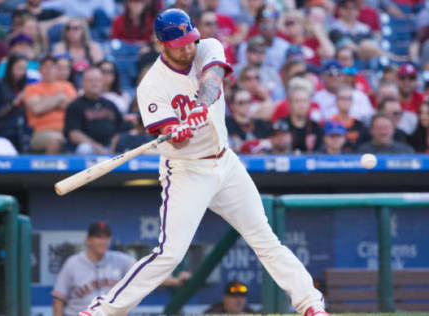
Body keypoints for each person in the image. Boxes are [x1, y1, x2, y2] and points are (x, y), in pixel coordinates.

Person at [79, 9, 328, 316]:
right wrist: (176, 131)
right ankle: (100, 311)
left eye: (189, 41)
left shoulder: (207, 46)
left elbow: (212, 78)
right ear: (161, 44)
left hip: (226, 162)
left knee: (265, 238)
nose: (187, 49)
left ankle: (310, 305)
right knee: (168, 254)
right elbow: (175, 138)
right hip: (187, 170)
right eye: (178, 44)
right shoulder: (151, 86)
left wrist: (199, 106)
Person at [53, 221, 191, 316]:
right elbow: (59, 300)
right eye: (98, 237)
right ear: (88, 240)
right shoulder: (73, 263)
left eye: (107, 237)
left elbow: (147, 274)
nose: (103, 241)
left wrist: (176, 281)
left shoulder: (120, 259)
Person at [64, 68, 127, 155]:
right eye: (91, 80)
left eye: (98, 80)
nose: (95, 84)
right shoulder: (75, 105)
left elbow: (119, 130)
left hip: (110, 146)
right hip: (89, 148)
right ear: (83, 83)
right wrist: (96, 147)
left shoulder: (110, 104)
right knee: (84, 148)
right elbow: (74, 134)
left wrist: (113, 146)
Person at [23, 55, 77, 154]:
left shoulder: (67, 85)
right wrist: (58, 97)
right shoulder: (31, 88)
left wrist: (44, 101)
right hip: (41, 132)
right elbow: (37, 108)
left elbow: (73, 108)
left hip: (68, 131)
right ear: (40, 70)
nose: (49, 70)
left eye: (52, 66)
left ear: (57, 70)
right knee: (55, 140)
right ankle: (49, 170)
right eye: (45, 67)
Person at [0, 53, 31, 153]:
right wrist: (13, 103)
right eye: (19, 68)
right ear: (10, 67)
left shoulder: (26, 85)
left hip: (23, 129)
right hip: (4, 129)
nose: (22, 72)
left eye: (24, 69)